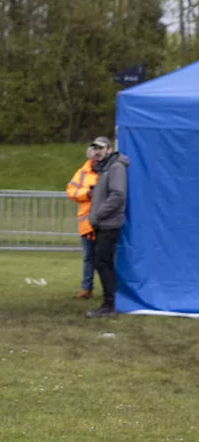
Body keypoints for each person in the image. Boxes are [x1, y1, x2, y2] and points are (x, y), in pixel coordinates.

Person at [85, 136, 128, 318]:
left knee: (103, 262)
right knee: (102, 262)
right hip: (103, 223)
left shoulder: (115, 167)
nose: (97, 151)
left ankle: (109, 305)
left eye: (101, 148)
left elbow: (118, 195)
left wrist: (98, 213)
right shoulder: (104, 168)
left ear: (109, 149)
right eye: (95, 148)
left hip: (109, 223)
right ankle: (109, 302)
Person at [65, 146, 100, 299]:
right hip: (87, 223)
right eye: (94, 157)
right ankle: (86, 288)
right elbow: (71, 192)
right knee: (88, 257)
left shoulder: (109, 171)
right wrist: (88, 193)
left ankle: (111, 289)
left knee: (106, 258)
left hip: (105, 221)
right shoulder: (82, 173)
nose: (96, 159)